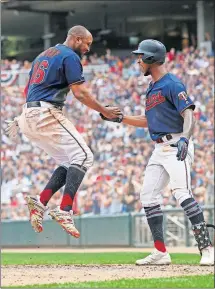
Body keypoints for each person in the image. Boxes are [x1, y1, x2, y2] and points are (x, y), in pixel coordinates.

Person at [100, 39, 214, 266]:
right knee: (148, 196)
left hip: (176, 144)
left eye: (141, 56)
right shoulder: (152, 87)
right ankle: (161, 252)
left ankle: (207, 249)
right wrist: (120, 118)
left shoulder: (172, 83)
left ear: (151, 58)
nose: (138, 60)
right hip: (159, 148)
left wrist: (185, 138)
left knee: (182, 193)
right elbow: (148, 121)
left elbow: (189, 113)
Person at [5, 25, 121, 238]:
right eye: (87, 43)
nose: (87, 48)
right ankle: (65, 209)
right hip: (44, 113)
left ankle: (40, 202)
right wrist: (104, 110)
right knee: (84, 156)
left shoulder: (44, 55)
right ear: (77, 39)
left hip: (28, 115)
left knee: (69, 163)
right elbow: (80, 93)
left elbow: (26, 90)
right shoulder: (70, 56)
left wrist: (28, 115)